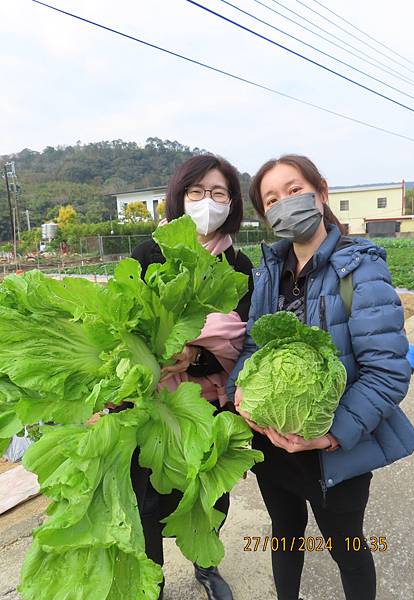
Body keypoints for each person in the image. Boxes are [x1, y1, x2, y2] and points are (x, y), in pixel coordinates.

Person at [227, 155, 414, 600]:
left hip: (334, 450)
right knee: (285, 533)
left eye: (294, 190)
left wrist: (328, 435)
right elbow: (256, 346)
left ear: (322, 191)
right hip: (273, 443)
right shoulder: (270, 272)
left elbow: (386, 373)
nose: (284, 204)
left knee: (347, 547)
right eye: (271, 199)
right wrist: (240, 392)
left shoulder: (360, 270)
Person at [130, 154, 254, 600]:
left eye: (218, 193)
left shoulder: (238, 265)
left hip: (210, 397)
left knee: (210, 489)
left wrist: (194, 352)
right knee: (149, 497)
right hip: (155, 400)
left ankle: (207, 565)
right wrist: (164, 351)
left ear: (232, 202)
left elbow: (241, 335)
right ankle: (154, 581)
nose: (207, 202)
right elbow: (130, 325)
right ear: (179, 198)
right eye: (196, 192)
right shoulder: (149, 254)